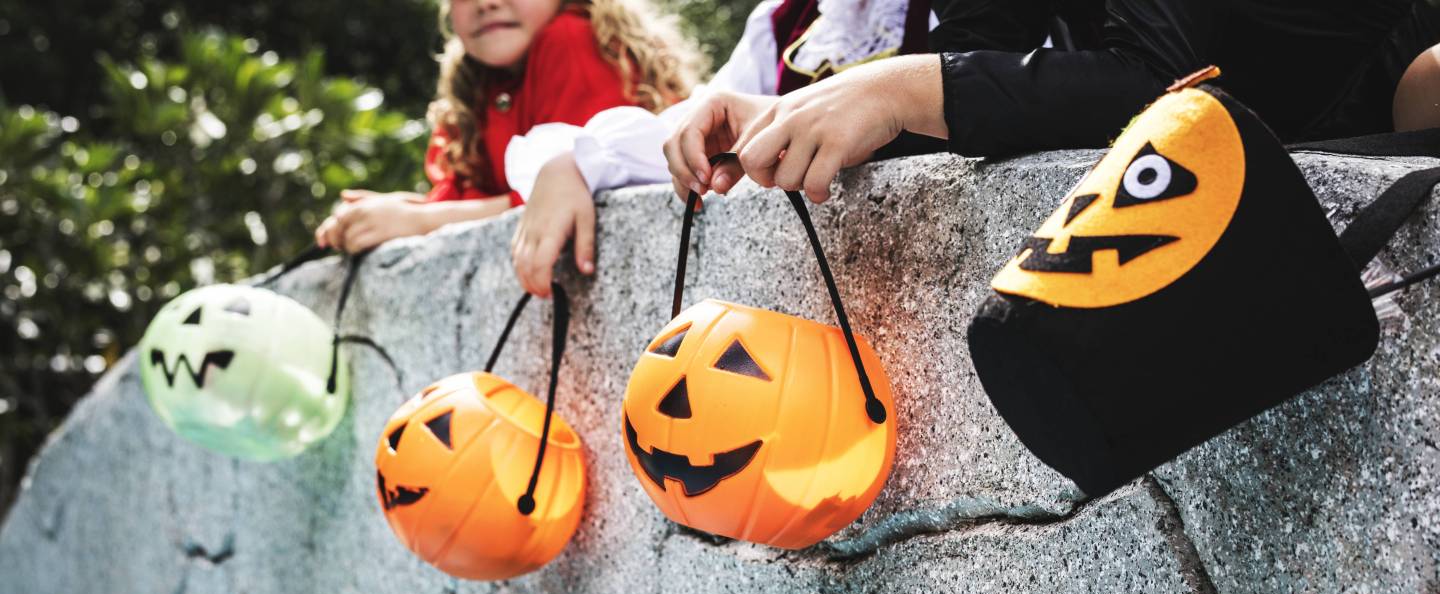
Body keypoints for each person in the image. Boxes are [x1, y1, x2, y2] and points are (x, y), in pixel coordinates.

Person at [665, 0, 1440, 206]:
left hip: (1373, 110)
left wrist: (900, 87)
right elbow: (963, 81)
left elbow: (1157, 80)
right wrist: (790, 114)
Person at [505, 0, 943, 294]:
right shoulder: (780, 22)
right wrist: (577, 162)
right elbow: (692, 133)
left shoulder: (971, 16)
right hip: (800, 291)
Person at [315, 0, 695, 297]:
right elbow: (463, 201)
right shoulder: (476, 82)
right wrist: (392, 214)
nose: (486, 4)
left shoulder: (572, 39)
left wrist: (420, 221)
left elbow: (577, 187)